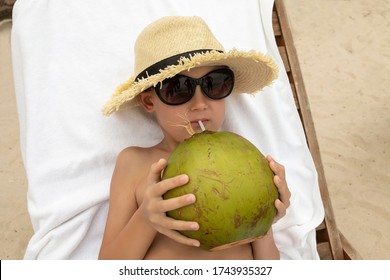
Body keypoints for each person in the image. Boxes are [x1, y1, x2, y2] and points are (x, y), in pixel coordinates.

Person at [99, 16, 291, 260]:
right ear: (149, 101)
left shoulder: (242, 159)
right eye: (177, 88)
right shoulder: (135, 162)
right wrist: (146, 218)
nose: (200, 104)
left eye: (215, 84)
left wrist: (265, 221)